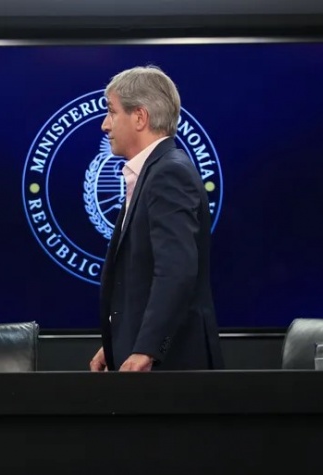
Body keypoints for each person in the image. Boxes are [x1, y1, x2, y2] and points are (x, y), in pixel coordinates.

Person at [89, 66, 223, 372]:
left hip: (175, 370)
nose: (104, 125)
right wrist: (119, 343)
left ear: (140, 117)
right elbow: (142, 278)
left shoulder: (169, 173)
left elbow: (176, 271)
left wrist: (147, 350)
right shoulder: (150, 173)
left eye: (111, 112)